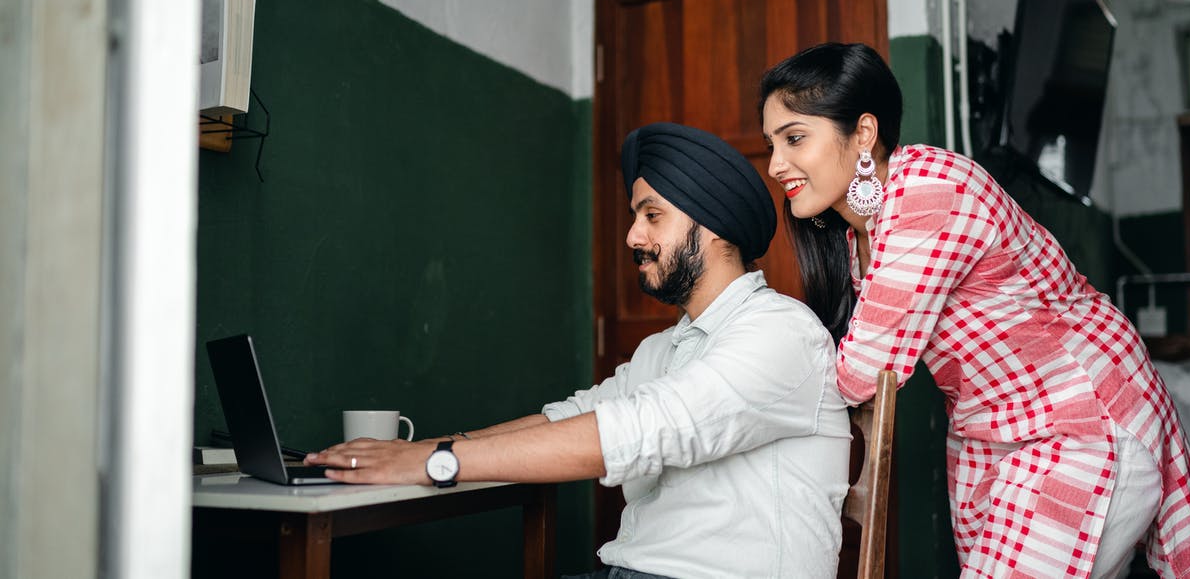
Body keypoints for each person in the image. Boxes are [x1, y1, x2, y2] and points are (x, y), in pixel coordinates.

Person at [305, 122, 851, 579]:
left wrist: (433, 462)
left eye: (652, 215)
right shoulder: (663, 349)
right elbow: (571, 417)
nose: (633, 237)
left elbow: (641, 430)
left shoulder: (781, 331)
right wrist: (430, 446)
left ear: (713, 228)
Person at [759, 41, 1190, 579]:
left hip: (1082, 425)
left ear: (864, 135)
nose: (776, 164)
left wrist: (742, 388)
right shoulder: (860, 237)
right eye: (771, 145)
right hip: (1003, 438)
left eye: (794, 138)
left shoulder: (928, 192)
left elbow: (864, 372)